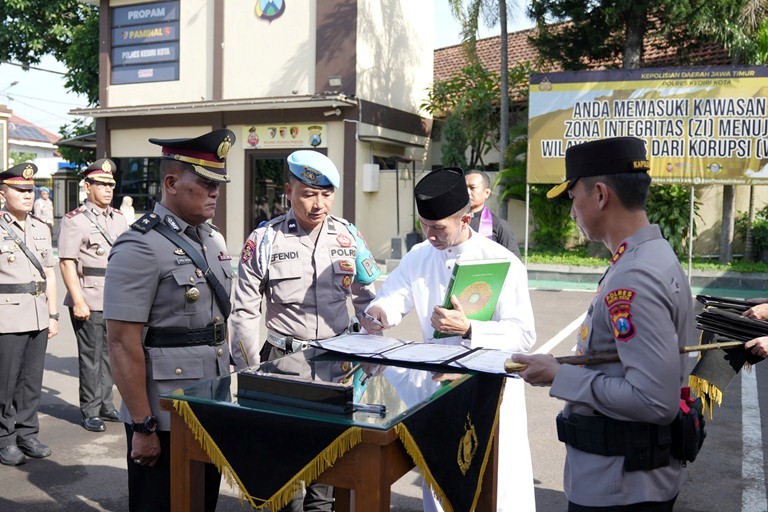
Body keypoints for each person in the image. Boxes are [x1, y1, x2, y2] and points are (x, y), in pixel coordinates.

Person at [512, 137, 693, 511]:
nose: (572, 210)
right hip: (632, 476)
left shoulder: (635, 275)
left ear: (599, 195)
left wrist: (558, 377)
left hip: (621, 484)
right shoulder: (650, 255)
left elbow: (653, 400)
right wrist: (559, 365)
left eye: (572, 196)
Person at [360, 167, 537, 512]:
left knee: (494, 491)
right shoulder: (419, 255)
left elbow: (524, 335)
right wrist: (379, 312)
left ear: (466, 218)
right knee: (442, 488)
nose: (430, 235)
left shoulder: (503, 262)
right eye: (424, 225)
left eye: (438, 227)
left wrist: (471, 329)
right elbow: (394, 295)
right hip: (438, 391)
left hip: (489, 395)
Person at [229, 149, 379, 512]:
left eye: (326, 194)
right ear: (289, 190)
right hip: (282, 361)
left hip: (336, 363)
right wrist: (248, 370)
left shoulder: (348, 237)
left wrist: (372, 353)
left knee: (327, 469)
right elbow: (245, 310)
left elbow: (369, 299)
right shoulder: (264, 240)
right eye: (309, 194)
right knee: (282, 469)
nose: (318, 204)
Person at [104, 129, 236, 511]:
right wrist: (143, 426)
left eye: (218, 184)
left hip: (210, 398)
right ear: (172, 182)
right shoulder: (140, 245)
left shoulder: (213, 239)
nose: (215, 192)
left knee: (201, 500)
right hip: (163, 409)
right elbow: (121, 342)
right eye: (206, 183)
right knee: (161, 501)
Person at [58, 159, 128, 432]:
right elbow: (66, 263)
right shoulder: (75, 221)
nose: (108, 189)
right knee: (91, 356)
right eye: (101, 184)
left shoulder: (120, 219)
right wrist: (77, 300)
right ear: (87, 187)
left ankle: (105, 403)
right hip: (88, 297)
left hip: (114, 298)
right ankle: (89, 409)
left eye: (111, 184)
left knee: (112, 354)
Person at [0, 163, 59, 466]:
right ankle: (5, 437)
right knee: (6, 382)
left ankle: (27, 433)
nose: (27, 195)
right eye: (20, 189)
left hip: (37, 312)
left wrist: (53, 314)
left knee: (32, 380)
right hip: (6, 316)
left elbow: (49, 271)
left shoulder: (40, 227)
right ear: (2, 192)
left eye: (30, 190)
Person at [465, 169, 521, 258]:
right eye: (464, 188)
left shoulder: (499, 226)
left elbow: (515, 263)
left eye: (472, 188)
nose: (467, 192)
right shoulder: (455, 223)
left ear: (486, 193)